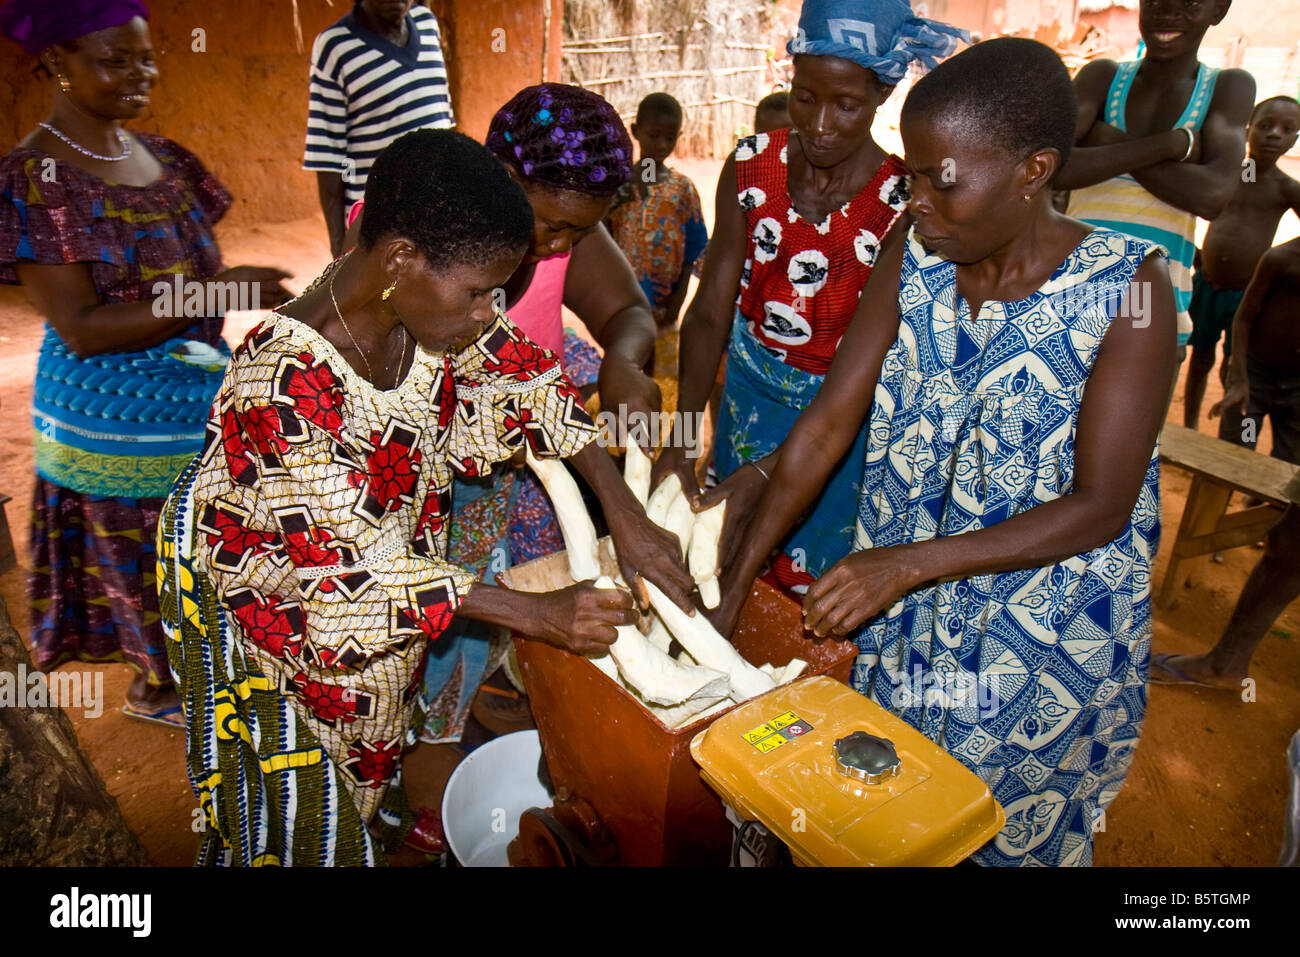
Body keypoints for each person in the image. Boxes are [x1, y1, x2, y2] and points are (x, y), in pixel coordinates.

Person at [157, 129, 694, 866]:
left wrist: (624, 512)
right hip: (308, 656)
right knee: (307, 819)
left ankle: (369, 816)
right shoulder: (281, 388)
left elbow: (523, 374)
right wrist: (538, 613)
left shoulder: (415, 309)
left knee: (374, 766)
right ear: (401, 256)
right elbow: (353, 581)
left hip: (391, 632)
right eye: (479, 293)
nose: (488, 313)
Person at [708, 38, 1176, 867]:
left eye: (938, 178)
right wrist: (735, 581)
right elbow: (826, 424)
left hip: (1037, 638)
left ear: (1032, 169)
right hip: (909, 622)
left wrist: (907, 563)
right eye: (912, 174)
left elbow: (1101, 503)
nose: (912, 196)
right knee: (889, 808)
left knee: (996, 826)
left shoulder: (1128, 290)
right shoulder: (915, 253)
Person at [0, 0, 292, 728]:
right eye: (113, 59)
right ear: (56, 63)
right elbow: (84, 325)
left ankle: (204, 669)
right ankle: (160, 689)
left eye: (145, 56)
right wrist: (221, 290)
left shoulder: (161, 158)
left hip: (192, 400)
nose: (138, 74)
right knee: (149, 558)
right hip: (112, 420)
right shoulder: (38, 178)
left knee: (203, 543)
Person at [658, 0, 963, 597]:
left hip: (842, 414)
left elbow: (876, 352)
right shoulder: (751, 166)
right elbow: (712, 307)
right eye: (805, 97)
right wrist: (681, 435)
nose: (820, 123)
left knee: (807, 578)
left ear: (881, 95)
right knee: (718, 547)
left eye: (846, 104)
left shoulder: (902, 200)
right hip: (750, 395)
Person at [1059, 0, 1254, 389]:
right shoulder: (1102, 75)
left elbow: (1212, 196)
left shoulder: (1227, 86)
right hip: (1070, 296)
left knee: (1127, 443)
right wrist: (1171, 145)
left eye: (1190, 3)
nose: (1168, 12)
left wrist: (1106, 141)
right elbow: (1053, 168)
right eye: (1156, 0)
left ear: (1218, 10)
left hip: (1152, 306)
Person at [305, 0, 454, 258]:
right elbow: (328, 160)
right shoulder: (336, 47)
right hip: (379, 228)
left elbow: (441, 114)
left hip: (439, 216)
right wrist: (340, 251)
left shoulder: (427, 24)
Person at [1185, 96, 1300, 427]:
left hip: (1247, 293)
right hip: (1207, 283)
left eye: (1287, 129)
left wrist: (1276, 269)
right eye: (1265, 126)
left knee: (1236, 365)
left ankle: (1231, 431)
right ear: (1248, 129)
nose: (1274, 135)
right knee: (1200, 356)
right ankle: (1190, 426)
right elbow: (1188, 205)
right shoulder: (1228, 174)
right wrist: (1195, 254)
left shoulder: (1286, 188)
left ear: (1294, 139)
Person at [605, 92, 708, 379]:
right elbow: (601, 249)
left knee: (663, 385)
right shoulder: (616, 189)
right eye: (654, 135)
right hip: (622, 308)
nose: (662, 145)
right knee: (626, 377)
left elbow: (694, 255)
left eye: (670, 138)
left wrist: (676, 304)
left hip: (666, 310)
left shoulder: (682, 191)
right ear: (636, 132)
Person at [1207, 234, 1300, 463]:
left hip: (1296, 389)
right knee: (1240, 450)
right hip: (1255, 381)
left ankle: (1254, 500)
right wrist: (1239, 379)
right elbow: (1243, 318)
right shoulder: (1280, 259)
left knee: (1286, 467)